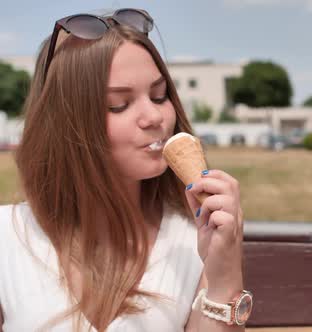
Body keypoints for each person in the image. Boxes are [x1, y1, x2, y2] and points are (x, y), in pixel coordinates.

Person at [0, 8, 252, 331]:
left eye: (160, 96)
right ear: (66, 125)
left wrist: (224, 276)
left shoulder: (192, 241)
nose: (154, 117)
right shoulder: (9, 237)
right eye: (119, 104)